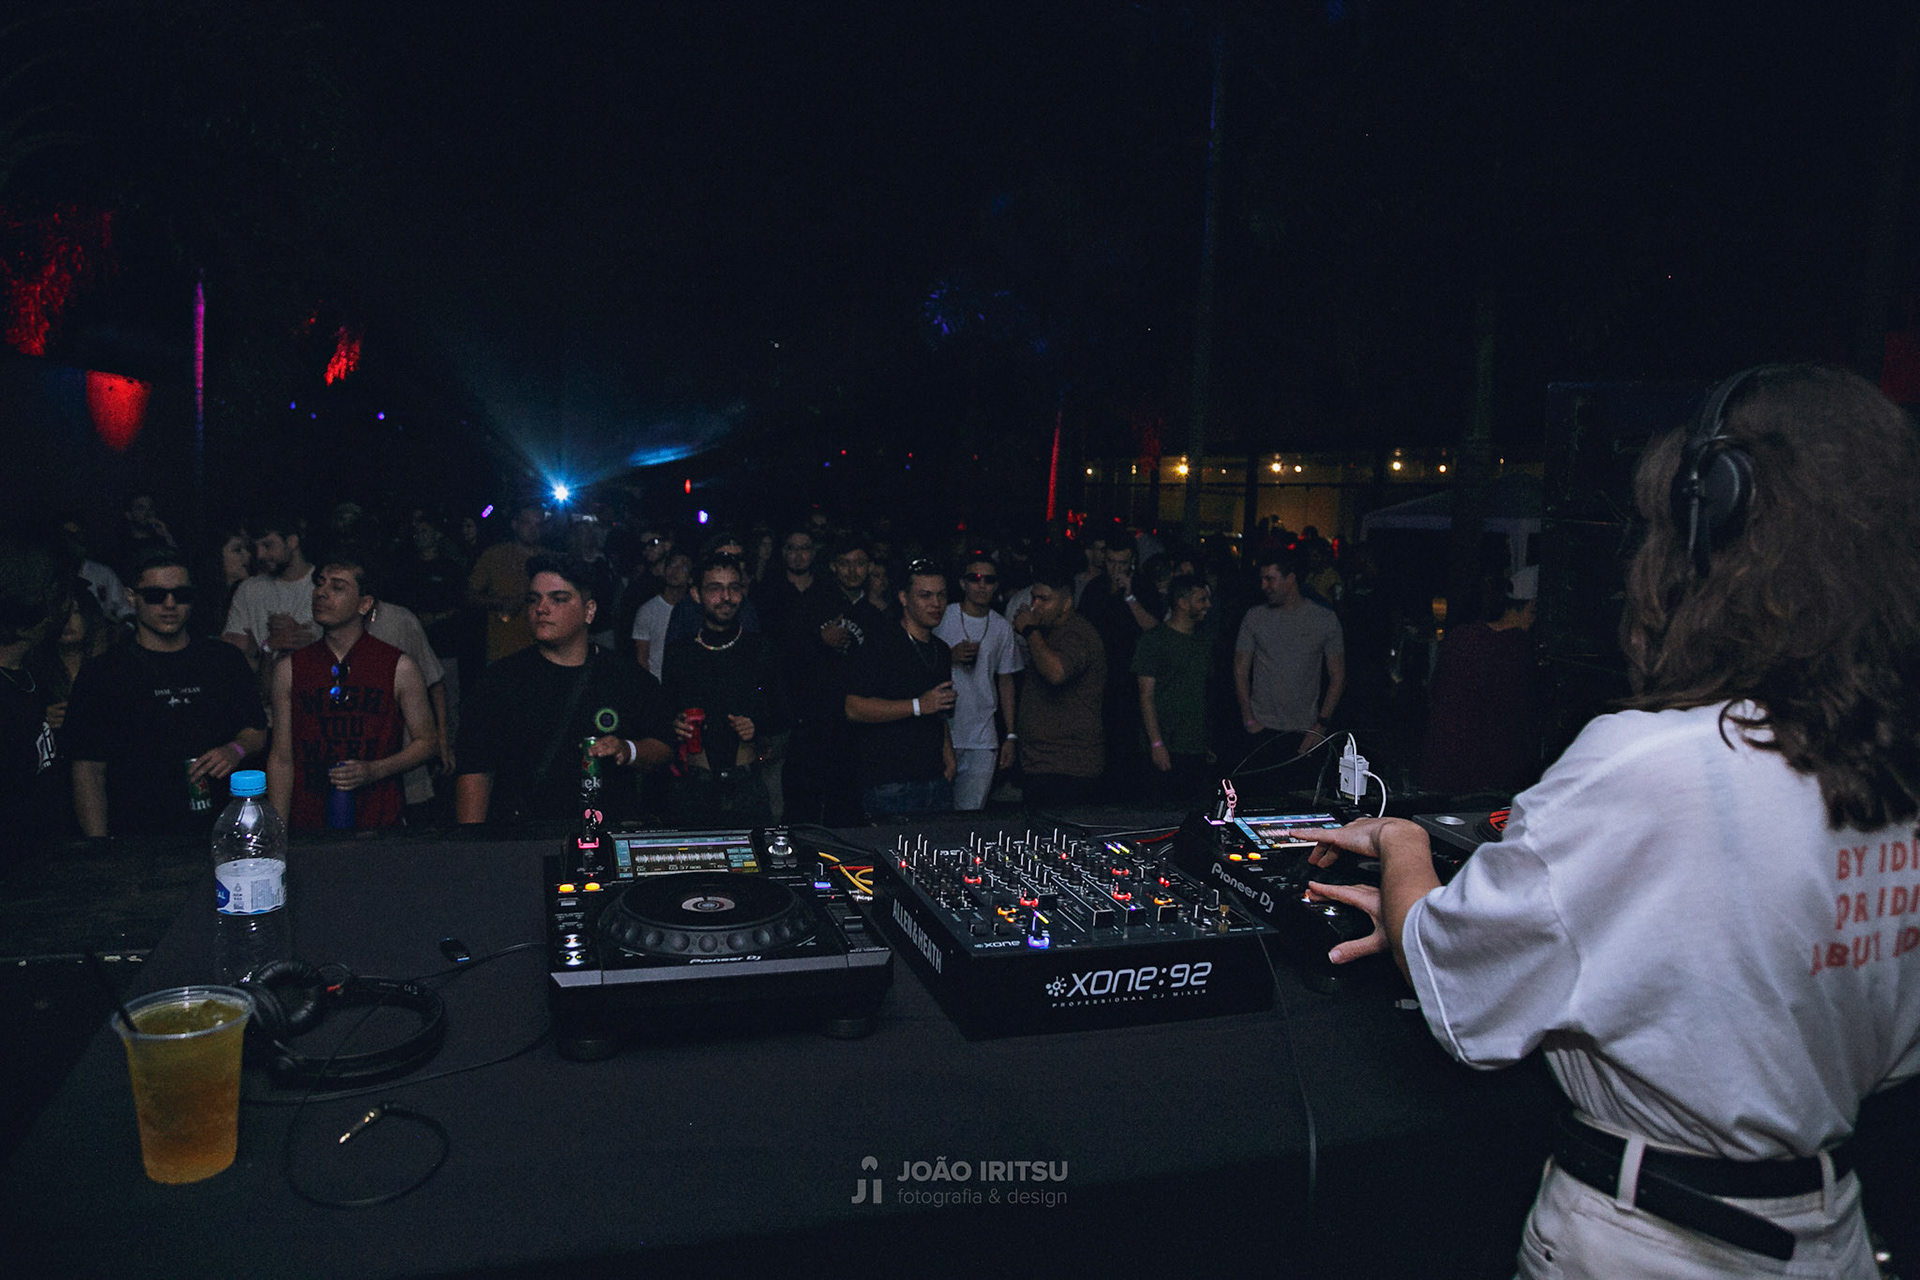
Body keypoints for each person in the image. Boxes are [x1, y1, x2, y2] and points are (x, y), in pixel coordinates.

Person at [1298, 365, 1920, 1277]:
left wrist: (1402, 847)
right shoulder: (1894, 770)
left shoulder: (1652, 763)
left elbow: (1454, 986)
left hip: (1653, 1242)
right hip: (1830, 1239)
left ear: (1709, 525)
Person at [455, 553, 671, 826]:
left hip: (603, 834)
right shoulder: (499, 681)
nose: (541, 608)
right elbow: (475, 770)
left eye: (558, 599)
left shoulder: (624, 677)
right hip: (522, 837)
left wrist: (627, 750)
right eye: (533, 599)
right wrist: (471, 844)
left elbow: (663, 745)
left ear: (589, 611)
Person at [66, 551, 267, 837]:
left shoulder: (223, 660)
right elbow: (88, 768)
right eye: (155, 595)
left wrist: (234, 750)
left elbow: (256, 731)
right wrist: (98, 847)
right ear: (131, 597)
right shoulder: (104, 673)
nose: (170, 604)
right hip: (137, 833)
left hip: (221, 827)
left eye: (181, 595)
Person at [267, 552, 436, 830]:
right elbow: (282, 758)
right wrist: (278, 830)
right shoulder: (290, 669)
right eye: (320, 584)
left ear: (364, 604)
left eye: (337, 587)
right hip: (308, 823)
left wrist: (374, 770)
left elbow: (427, 742)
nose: (322, 593)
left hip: (379, 821)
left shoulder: (398, 666)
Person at [661, 553, 787, 827]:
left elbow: (782, 713)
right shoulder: (679, 653)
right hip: (694, 787)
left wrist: (756, 727)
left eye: (733, 588)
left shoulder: (760, 649)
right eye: (715, 588)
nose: (726, 597)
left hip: (747, 785)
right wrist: (675, 723)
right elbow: (662, 713)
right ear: (696, 594)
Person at [845, 557, 957, 819]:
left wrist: (949, 756)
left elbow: (939, 708)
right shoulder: (881, 643)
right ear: (904, 598)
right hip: (890, 782)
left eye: (941, 595)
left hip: (935, 777)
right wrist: (918, 705)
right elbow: (853, 707)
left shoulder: (941, 649)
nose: (936, 603)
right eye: (925, 595)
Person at [1009, 552, 1106, 807]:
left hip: (1069, 767)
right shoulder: (1047, 632)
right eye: (1033, 598)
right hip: (1040, 764)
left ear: (1066, 603)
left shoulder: (1078, 633)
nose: (1035, 606)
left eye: (1044, 599)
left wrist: (1029, 631)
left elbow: (1057, 673)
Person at [1233, 547, 1344, 760]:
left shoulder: (1324, 619)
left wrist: (1321, 725)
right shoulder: (1254, 617)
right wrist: (1248, 717)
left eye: (1270, 579)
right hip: (1261, 728)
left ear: (1290, 579)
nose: (1263, 586)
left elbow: (1338, 676)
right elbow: (1240, 670)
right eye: (1262, 579)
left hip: (1304, 730)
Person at [933, 554, 1020, 810]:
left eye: (989, 580)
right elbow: (920, 661)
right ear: (963, 583)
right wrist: (950, 656)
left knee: (970, 814)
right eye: (975, 578)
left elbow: (1006, 681)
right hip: (943, 731)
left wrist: (1011, 735)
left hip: (983, 736)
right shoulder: (942, 616)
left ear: (996, 586)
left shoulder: (1001, 627)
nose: (982, 585)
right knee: (935, 813)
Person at [1133, 573, 1214, 806]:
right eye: (1201, 599)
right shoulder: (1155, 641)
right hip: (1165, 745)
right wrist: (1156, 744)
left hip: (1195, 746)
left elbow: (1203, 694)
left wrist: (1207, 742)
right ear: (1182, 602)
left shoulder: (1204, 642)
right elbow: (1145, 696)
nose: (1208, 605)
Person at [222, 514, 317, 669]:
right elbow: (234, 654)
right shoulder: (249, 589)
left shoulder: (322, 585)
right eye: (256, 547)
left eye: (268, 545)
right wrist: (268, 645)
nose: (260, 555)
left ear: (292, 541)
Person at [467, 501, 546, 664]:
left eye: (538, 525)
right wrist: (500, 602)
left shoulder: (549, 559)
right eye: (527, 523)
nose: (533, 530)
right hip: (503, 651)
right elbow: (470, 595)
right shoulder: (494, 556)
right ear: (515, 524)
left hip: (541, 650)